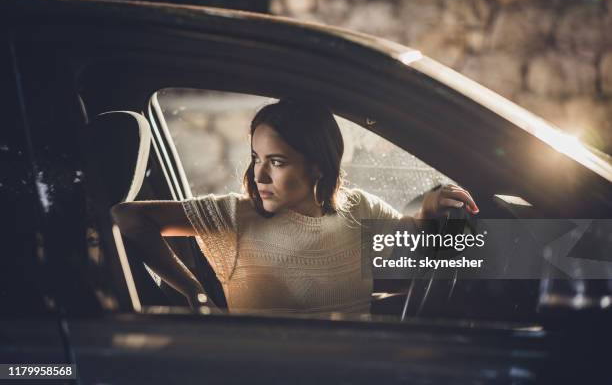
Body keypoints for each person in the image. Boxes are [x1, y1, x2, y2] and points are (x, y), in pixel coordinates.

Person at [112, 98, 478, 314]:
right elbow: (128, 217)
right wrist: (195, 292)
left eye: (278, 162)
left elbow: (419, 246)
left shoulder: (358, 208)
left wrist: (429, 212)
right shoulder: (236, 216)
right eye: (257, 158)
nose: (259, 175)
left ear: (318, 165)